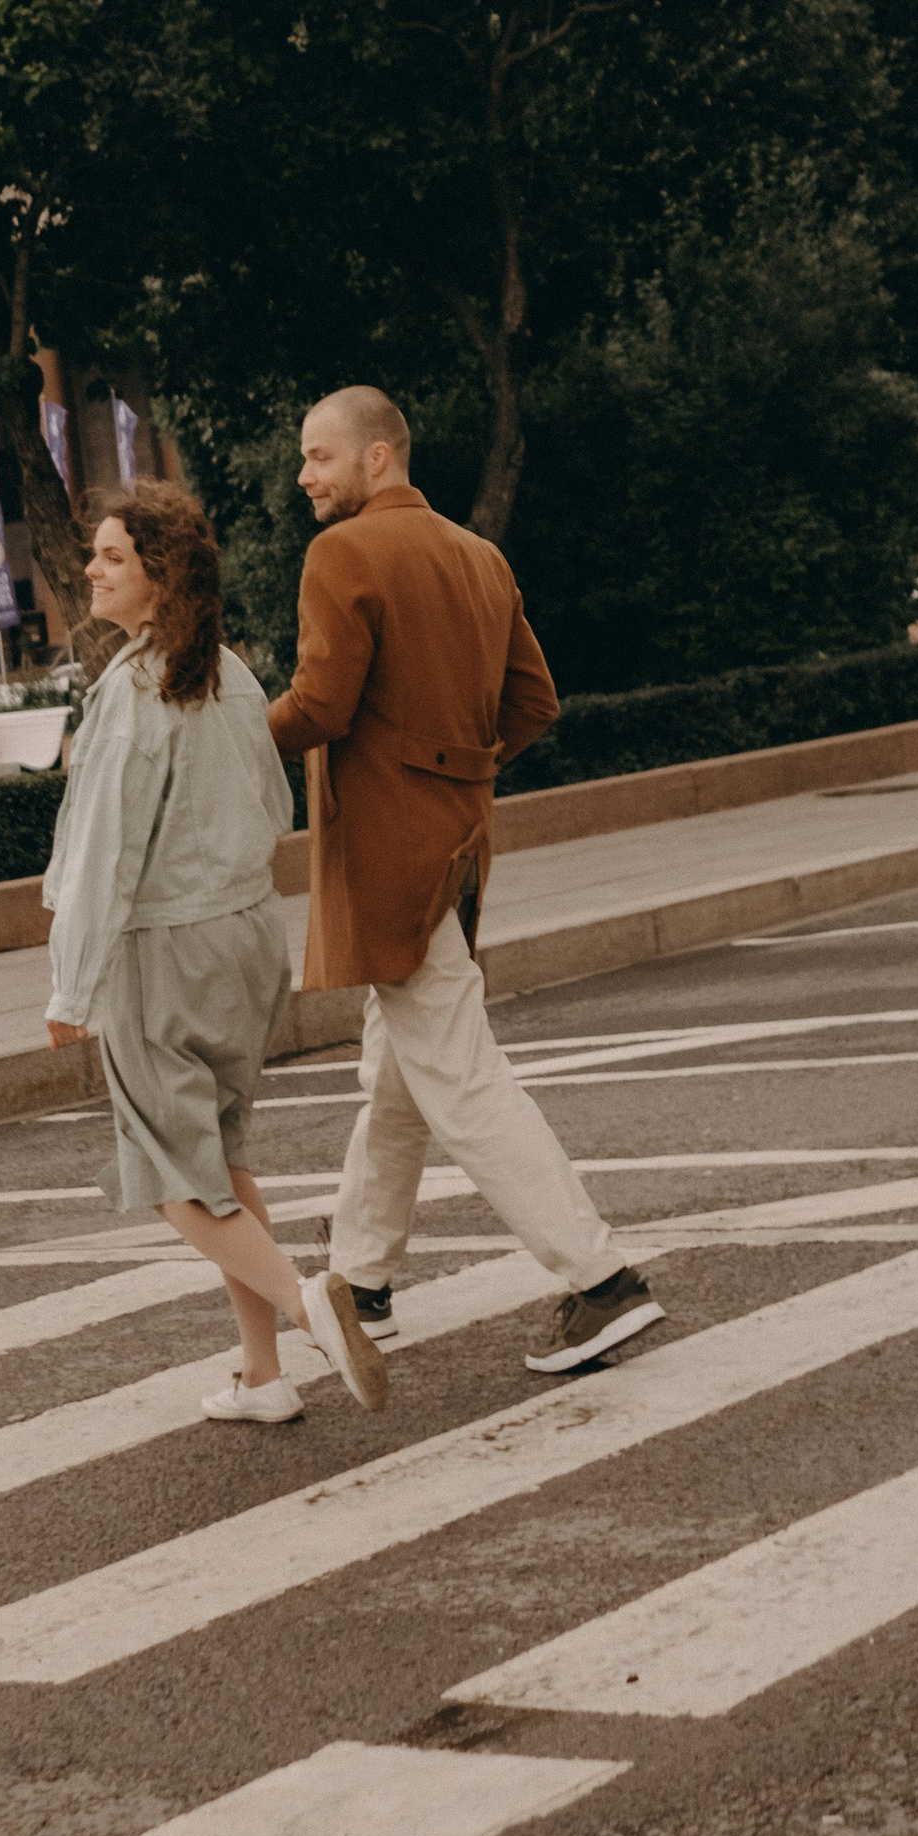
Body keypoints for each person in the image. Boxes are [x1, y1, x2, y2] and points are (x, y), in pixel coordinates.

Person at [266, 384, 663, 1375]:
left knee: (457, 1074)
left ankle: (601, 1280)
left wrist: (219, 729)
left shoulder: (342, 554)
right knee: (401, 1070)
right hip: (457, 844)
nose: (305, 476)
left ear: (378, 457)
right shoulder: (477, 556)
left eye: (319, 456)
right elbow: (534, 700)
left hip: (385, 855)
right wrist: (453, 771)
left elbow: (318, 705)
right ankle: (360, 1287)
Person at [44, 480, 386, 1421]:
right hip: (246, 941)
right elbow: (275, 807)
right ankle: (263, 1377)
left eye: (112, 557)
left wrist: (71, 983)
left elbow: (104, 850)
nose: (91, 571)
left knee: (169, 1175)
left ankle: (306, 1301)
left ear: (160, 578)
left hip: (166, 952)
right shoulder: (232, 673)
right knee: (224, 1161)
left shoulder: (133, 691)